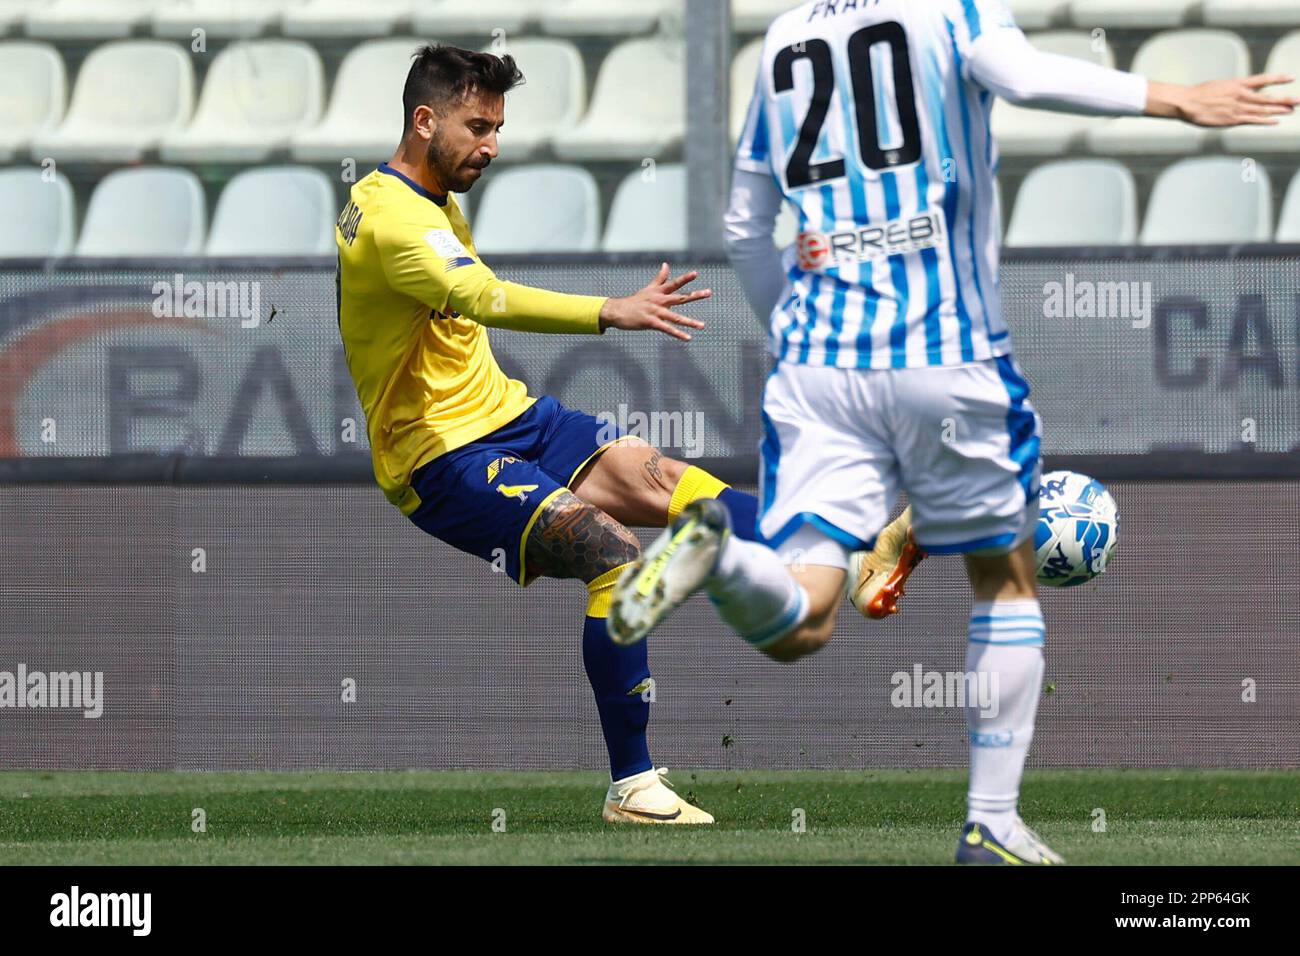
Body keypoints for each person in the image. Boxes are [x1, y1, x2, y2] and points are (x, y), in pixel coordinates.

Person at [610, 0, 1297, 861]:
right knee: (1004, 583)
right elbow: (1026, 75)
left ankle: (719, 557)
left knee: (807, 617)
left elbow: (746, 228)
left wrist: (795, 329)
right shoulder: (948, 11)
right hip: (948, 352)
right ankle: (991, 825)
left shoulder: (783, 38)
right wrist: (1177, 98)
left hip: (816, 370)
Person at [335, 43, 919, 824]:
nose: (493, 147)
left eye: (498, 128)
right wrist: (609, 310)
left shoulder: (429, 193)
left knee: (666, 481)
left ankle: (852, 553)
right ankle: (632, 787)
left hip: (508, 415)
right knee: (612, 553)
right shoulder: (391, 218)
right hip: (437, 457)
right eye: (479, 127)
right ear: (423, 119)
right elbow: (476, 295)